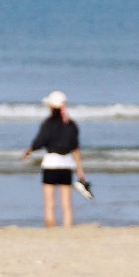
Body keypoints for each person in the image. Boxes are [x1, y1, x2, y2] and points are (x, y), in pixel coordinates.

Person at [21, 90, 86, 228]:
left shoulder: (47, 124)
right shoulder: (71, 125)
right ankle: (67, 229)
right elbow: (75, 148)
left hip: (50, 164)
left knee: (49, 204)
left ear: (51, 106)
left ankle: (51, 230)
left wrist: (29, 150)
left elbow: (39, 141)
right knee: (66, 205)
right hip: (66, 164)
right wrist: (80, 170)